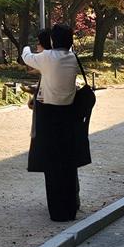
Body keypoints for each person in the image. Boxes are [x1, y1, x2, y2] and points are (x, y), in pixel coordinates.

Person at [22, 24, 90, 222]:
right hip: (69, 116)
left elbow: (27, 58)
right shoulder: (72, 57)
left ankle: (58, 212)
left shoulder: (47, 58)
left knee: (52, 168)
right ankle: (70, 208)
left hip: (49, 117)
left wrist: (26, 46)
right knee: (68, 165)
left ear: (53, 40)